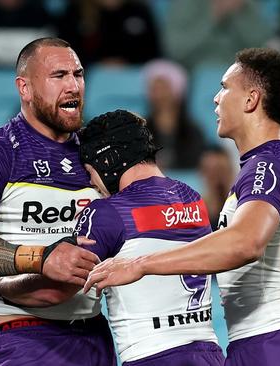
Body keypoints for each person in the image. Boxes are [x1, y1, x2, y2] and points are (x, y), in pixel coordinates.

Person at [84, 48, 280, 365]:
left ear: (251, 100)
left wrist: (140, 264)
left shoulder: (269, 166)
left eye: (225, 88)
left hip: (274, 343)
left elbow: (245, 242)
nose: (215, 98)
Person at [0, 37, 115, 365]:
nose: (73, 85)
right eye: (59, 76)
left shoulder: (97, 155)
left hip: (94, 335)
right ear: (24, 88)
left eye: (78, 75)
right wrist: (41, 259)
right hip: (22, 337)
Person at [77, 109, 224, 365]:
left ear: (108, 161)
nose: (92, 183)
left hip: (151, 357)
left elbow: (64, 285)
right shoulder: (193, 199)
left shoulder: (107, 211)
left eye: (91, 172)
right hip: (210, 354)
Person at [144, 59, 206, 169]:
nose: (158, 95)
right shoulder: (139, 130)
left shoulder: (193, 131)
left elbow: (197, 165)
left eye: (164, 88)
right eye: (154, 89)